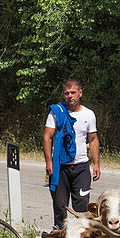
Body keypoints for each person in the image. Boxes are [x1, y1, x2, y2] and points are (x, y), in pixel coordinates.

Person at [44, 79, 100, 228]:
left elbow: (93, 139)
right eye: (67, 93)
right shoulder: (56, 112)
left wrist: (96, 164)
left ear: (80, 93)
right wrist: (49, 162)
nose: (70, 96)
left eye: (73, 92)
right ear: (63, 95)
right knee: (60, 207)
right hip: (60, 168)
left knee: (82, 208)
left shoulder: (88, 114)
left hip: (81, 167)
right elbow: (47, 137)